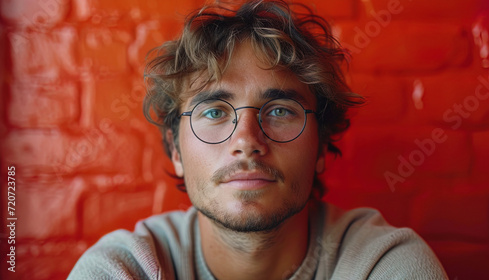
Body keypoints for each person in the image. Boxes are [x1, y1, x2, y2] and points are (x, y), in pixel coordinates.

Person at [69, 0, 449, 279]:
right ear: (175, 149)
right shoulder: (122, 268)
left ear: (320, 146)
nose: (247, 141)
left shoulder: (386, 264)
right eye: (215, 111)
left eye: (281, 110)